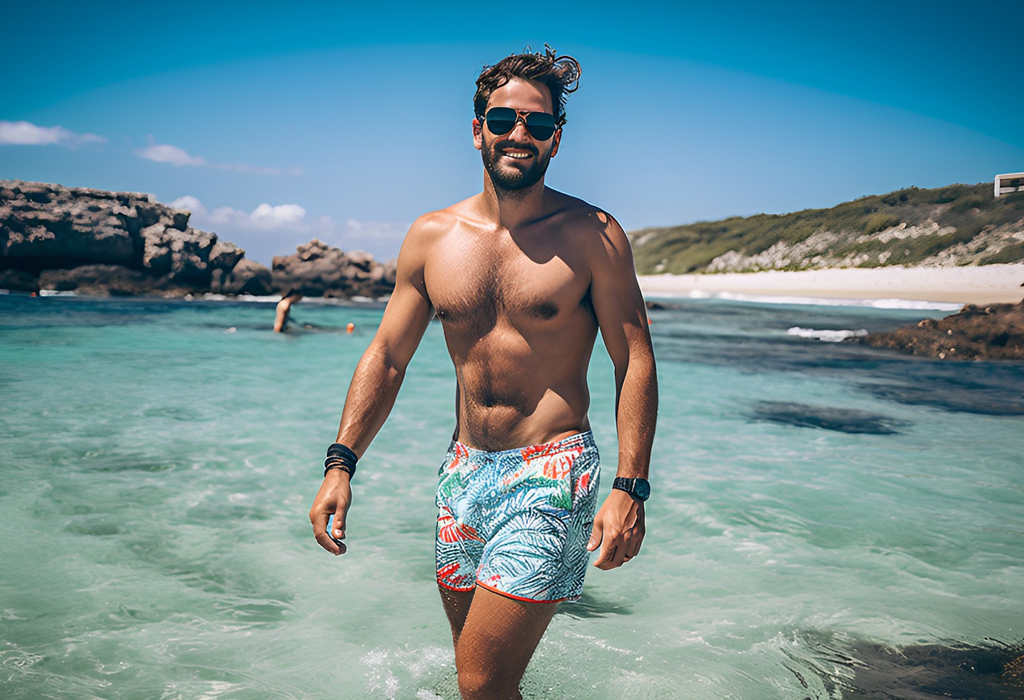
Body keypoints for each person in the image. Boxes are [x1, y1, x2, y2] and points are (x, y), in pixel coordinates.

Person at [309, 46, 657, 699]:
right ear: (478, 130)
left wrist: (630, 488)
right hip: (464, 475)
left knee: (477, 684)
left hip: (552, 470)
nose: (518, 135)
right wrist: (340, 464)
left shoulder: (593, 234)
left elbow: (632, 356)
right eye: (503, 121)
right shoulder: (432, 237)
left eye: (538, 124)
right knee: (488, 682)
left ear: (557, 138)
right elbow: (387, 355)